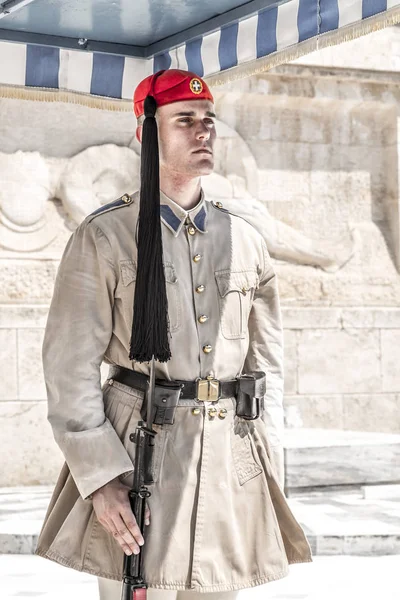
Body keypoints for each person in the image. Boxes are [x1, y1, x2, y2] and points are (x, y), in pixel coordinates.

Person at [35, 69, 312, 600]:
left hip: (227, 455)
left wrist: (266, 457)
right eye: (184, 120)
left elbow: (267, 365)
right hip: (141, 455)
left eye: (207, 120)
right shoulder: (105, 235)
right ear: (146, 133)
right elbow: (68, 366)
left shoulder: (245, 239)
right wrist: (99, 478)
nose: (203, 131)